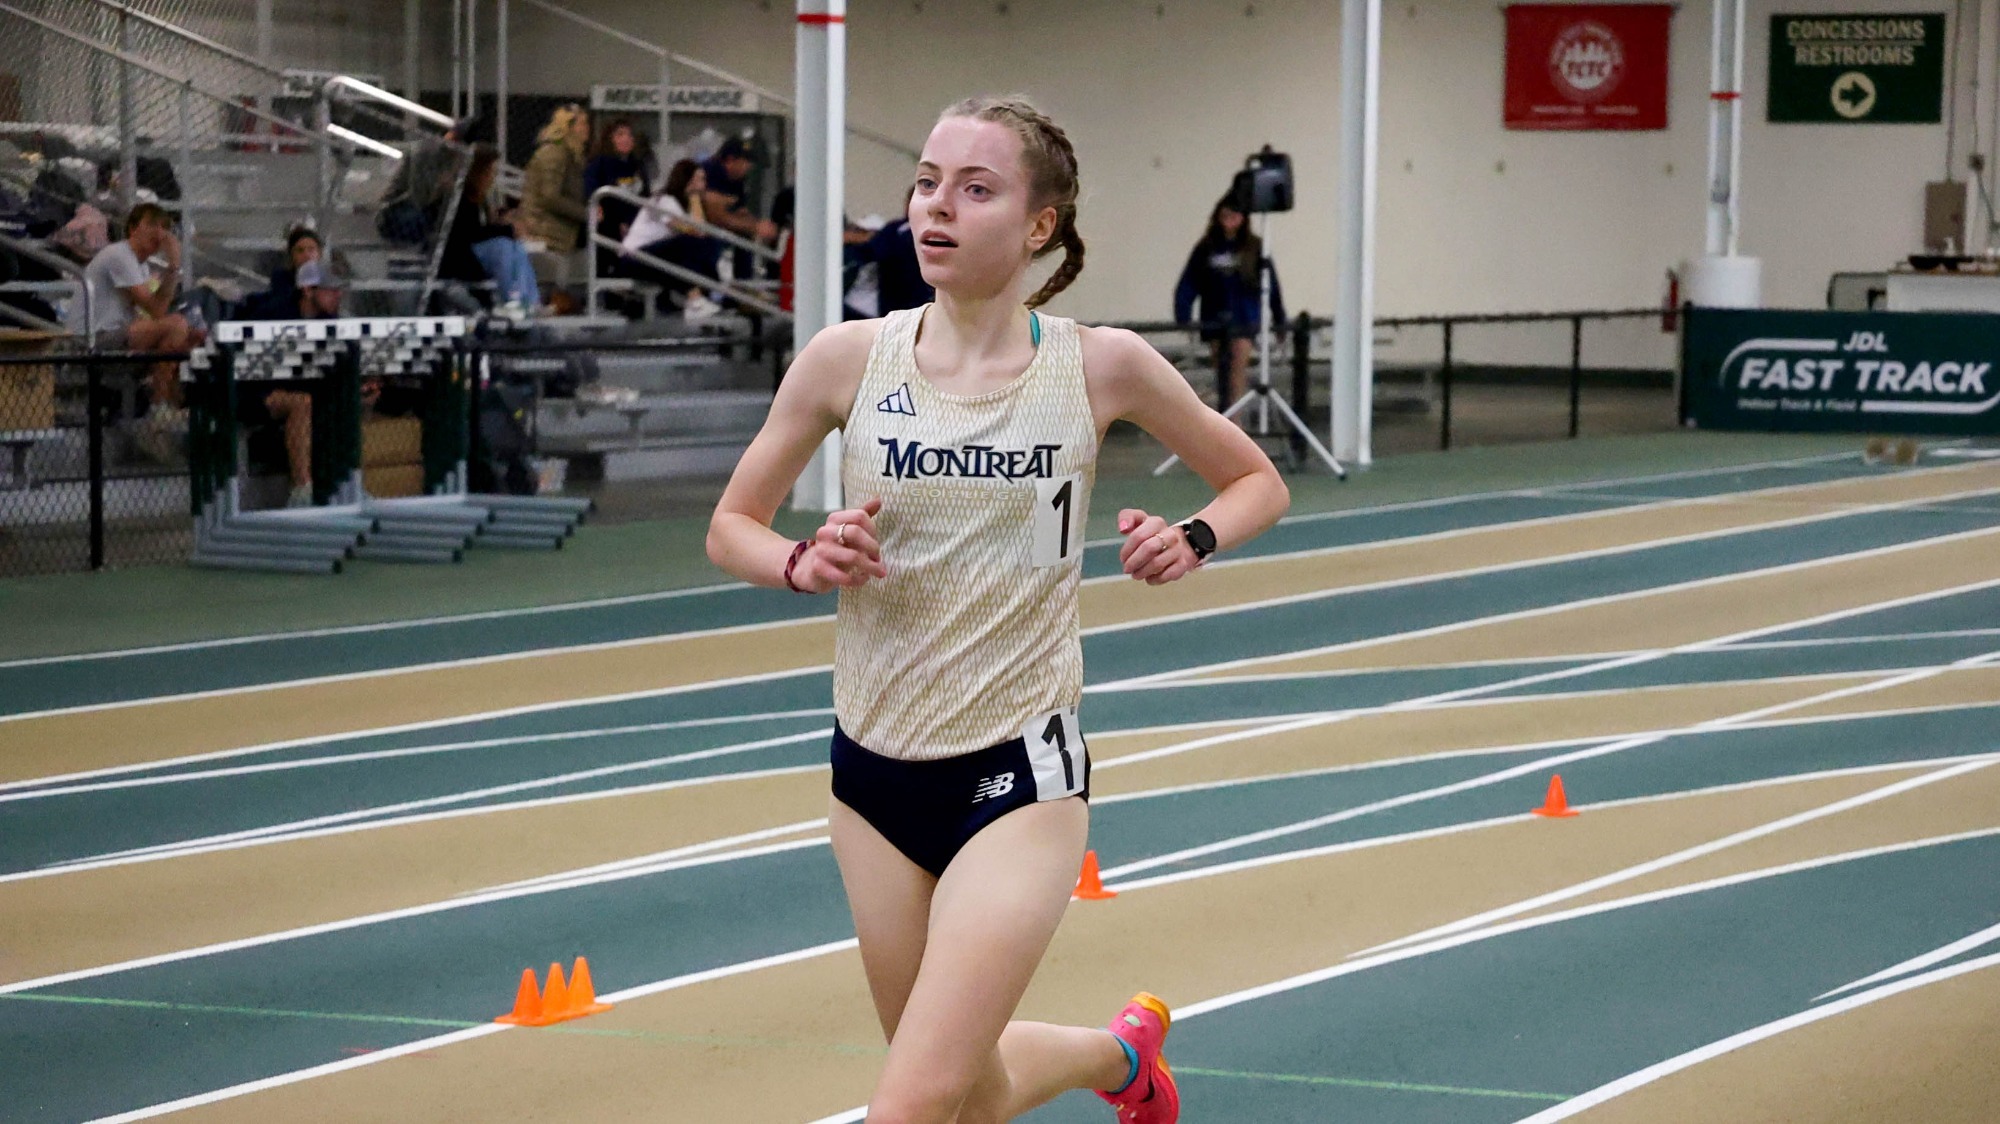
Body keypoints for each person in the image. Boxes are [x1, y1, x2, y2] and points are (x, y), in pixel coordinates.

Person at [706, 95, 1289, 1123]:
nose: (936, 206)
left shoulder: (1096, 363)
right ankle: (1119, 1062)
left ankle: (1112, 1062)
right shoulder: (847, 358)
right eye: (926, 181)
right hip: (871, 773)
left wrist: (1190, 538)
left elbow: (1255, 481)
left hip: (1018, 773)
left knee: (909, 1103)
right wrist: (800, 558)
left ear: (1038, 225)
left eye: (974, 189)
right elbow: (730, 526)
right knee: (966, 1090)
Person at [236, 226, 341, 506]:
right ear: (308, 290)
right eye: (327, 291)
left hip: (297, 384)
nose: (335, 297)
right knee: (302, 403)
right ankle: (302, 490)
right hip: (257, 389)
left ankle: (341, 484)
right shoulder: (272, 312)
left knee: (342, 397)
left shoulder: (329, 322)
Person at [70, 202, 204, 417]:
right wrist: (173, 265)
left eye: (164, 227)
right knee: (176, 325)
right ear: (133, 228)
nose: (159, 232)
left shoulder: (141, 266)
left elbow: (151, 315)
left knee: (185, 337)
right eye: (151, 224)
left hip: (116, 334)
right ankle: (160, 406)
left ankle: (167, 404)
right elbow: (157, 310)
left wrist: (184, 335)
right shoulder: (119, 255)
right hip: (92, 339)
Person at [1173, 197, 1285, 409]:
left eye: (1234, 216)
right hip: (1214, 319)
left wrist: (1279, 318)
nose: (1229, 221)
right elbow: (1190, 281)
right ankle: (1225, 417)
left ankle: (1235, 419)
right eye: (1225, 216)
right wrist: (1183, 313)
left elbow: (1271, 285)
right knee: (1221, 371)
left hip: (1244, 320)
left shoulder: (1255, 247)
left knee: (1236, 371)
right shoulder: (1206, 247)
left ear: (1243, 219)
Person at [440, 145, 540, 314]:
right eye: (490, 171)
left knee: (517, 248)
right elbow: (471, 234)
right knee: (503, 247)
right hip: (462, 256)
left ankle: (530, 303)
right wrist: (506, 230)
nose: (493, 176)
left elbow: (483, 229)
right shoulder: (460, 199)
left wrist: (504, 225)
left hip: (477, 248)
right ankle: (513, 303)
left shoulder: (481, 197)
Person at [621, 158, 723, 319]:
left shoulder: (683, 205)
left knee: (708, 243)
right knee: (688, 243)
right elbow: (695, 232)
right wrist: (695, 196)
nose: (703, 184)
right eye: (699, 179)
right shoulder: (665, 201)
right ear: (687, 180)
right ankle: (695, 300)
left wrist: (694, 200)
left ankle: (705, 296)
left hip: (656, 257)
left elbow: (701, 233)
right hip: (634, 259)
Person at [584, 117, 652, 278]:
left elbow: (644, 196)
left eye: (629, 135)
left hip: (635, 225)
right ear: (610, 139)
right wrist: (619, 222)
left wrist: (631, 222)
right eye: (620, 135)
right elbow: (595, 195)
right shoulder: (600, 164)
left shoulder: (638, 166)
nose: (626, 139)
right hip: (609, 225)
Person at [521, 104, 590, 255]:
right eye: (582, 124)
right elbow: (550, 197)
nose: (587, 128)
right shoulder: (554, 153)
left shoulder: (569, 153)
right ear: (568, 127)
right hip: (545, 229)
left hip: (558, 227)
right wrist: (586, 214)